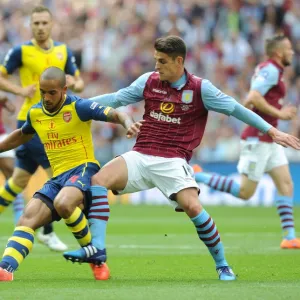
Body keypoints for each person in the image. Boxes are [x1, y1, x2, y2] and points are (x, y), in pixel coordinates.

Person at [63, 36, 300, 281]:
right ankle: (98, 250)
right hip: (141, 154)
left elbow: (236, 109)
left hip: (173, 161)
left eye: (162, 61)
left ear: (179, 61)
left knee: (194, 207)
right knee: (99, 180)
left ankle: (222, 265)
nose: (156, 66)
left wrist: (272, 131)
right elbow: (117, 98)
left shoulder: (200, 89)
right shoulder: (149, 81)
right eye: (155, 60)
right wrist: (73, 104)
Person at [0, 67, 140, 282]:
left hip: (83, 169)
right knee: (26, 219)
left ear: (64, 89)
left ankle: (96, 258)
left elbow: (116, 113)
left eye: (51, 93)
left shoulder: (79, 106)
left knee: (64, 203)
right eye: (42, 92)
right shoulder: (36, 113)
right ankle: (5, 269)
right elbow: (22, 135)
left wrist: (128, 123)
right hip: (57, 178)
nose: (46, 98)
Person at [192, 35, 300, 249]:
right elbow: (252, 98)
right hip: (257, 139)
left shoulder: (273, 70)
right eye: (288, 49)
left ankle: (289, 236)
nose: (292, 52)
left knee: (286, 184)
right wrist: (279, 112)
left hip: (270, 139)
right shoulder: (270, 70)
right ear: (278, 52)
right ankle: (198, 175)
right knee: (245, 192)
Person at [0, 5, 85, 251]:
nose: (39, 27)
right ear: (30, 26)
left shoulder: (63, 51)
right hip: (31, 122)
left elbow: (78, 81)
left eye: (43, 23)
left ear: (51, 25)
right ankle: (47, 230)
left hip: (54, 122)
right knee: (57, 176)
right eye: (35, 23)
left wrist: (74, 83)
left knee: (18, 180)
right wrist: (19, 90)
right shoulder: (21, 52)